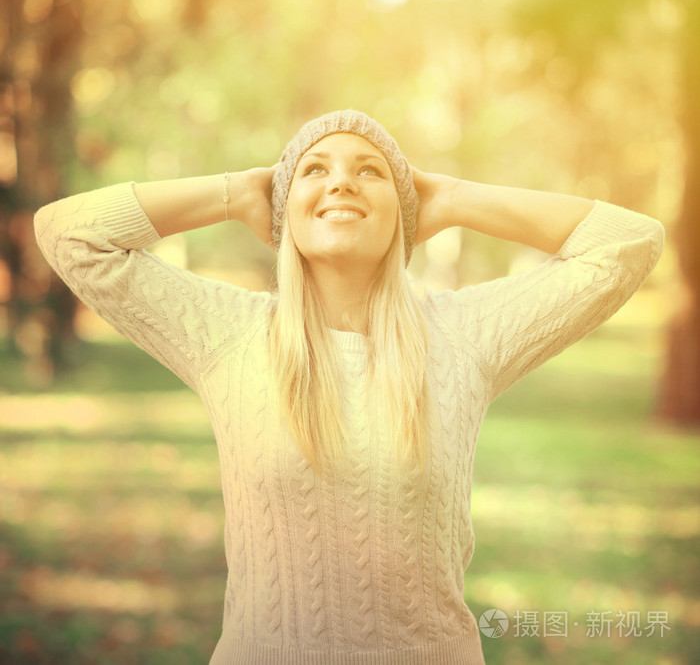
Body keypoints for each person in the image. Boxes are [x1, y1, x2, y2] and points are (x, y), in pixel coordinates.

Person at [34, 109, 664, 664]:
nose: (340, 180)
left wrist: (451, 197)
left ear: (404, 208)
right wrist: (237, 192)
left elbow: (629, 243)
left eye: (370, 170)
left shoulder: (464, 337)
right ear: (284, 209)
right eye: (313, 170)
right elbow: (70, 234)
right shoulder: (228, 335)